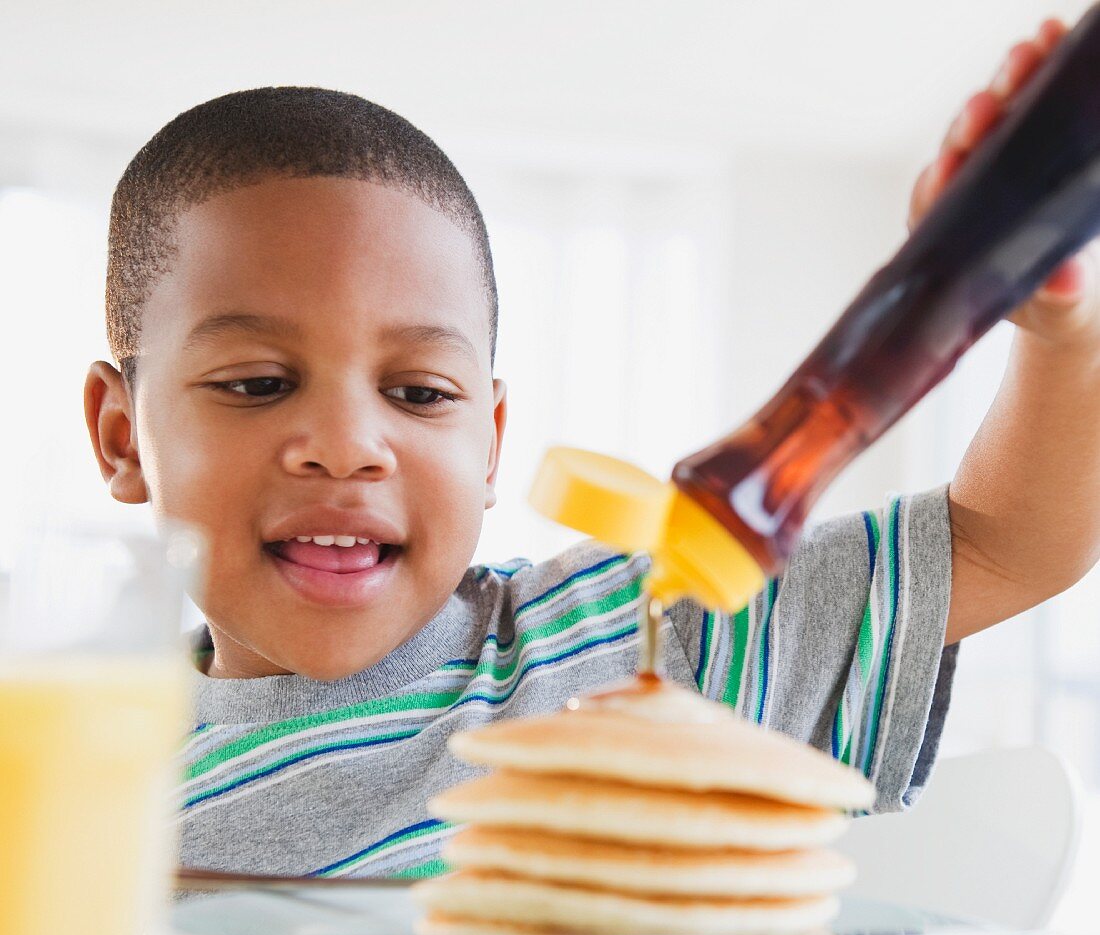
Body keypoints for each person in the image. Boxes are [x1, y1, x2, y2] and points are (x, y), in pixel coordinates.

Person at [85, 18, 1099, 877]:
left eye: (417, 391)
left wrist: (1062, 339)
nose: (348, 445)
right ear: (123, 437)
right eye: (258, 383)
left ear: (488, 443)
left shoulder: (638, 635)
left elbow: (1010, 543)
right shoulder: (85, 768)